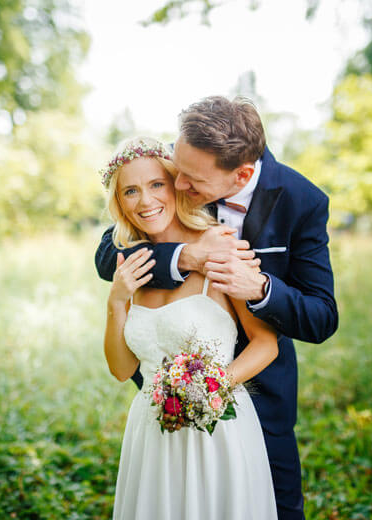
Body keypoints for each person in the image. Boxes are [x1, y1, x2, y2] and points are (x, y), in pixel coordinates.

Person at [96, 96, 338, 520]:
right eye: (175, 171)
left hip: (260, 391)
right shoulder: (181, 179)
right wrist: (184, 257)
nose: (177, 185)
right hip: (164, 401)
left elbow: (322, 316)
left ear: (240, 175)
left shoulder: (302, 201)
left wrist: (260, 289)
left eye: (186, 179)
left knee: (273, 506)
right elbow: (109, 250)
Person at [102, 137, 278, 519]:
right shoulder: (131, 266)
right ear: (120, 203)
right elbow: (121, 369)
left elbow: (266, 344)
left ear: (176, 185)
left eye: (156, 185)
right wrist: (116, 301)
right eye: (130, 191)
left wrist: (211, 388)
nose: (145, 201)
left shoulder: (221, 248)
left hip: (218, 431)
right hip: (151, 433)